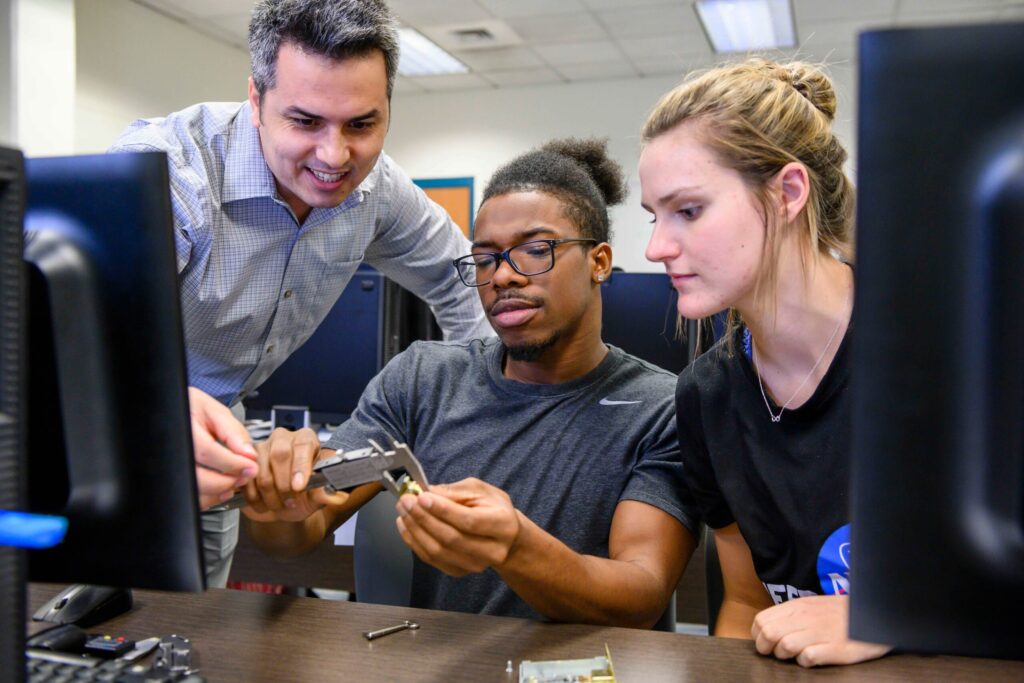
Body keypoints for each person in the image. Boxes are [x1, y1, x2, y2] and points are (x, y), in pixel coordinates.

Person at [242, 138, 699, 625]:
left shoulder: (662, 408)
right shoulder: (421, 381)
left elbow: (641, 593)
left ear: (599, 262)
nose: (503, 276)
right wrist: (278, 505)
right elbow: (304, 526)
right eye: (484, 259)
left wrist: (517, 547)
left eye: (534, 250)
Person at [109, 0, 488, 584]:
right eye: (306, 122)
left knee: (188, 624)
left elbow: (462, 277)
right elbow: (76, 336)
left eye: (362, 124)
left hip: (221, 434)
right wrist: (148, 409)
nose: (335, 157)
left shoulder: (379, 190)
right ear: (256, 101)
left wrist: (498, 403)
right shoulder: (172, 173)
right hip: (109, 417)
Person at [640, 58, 891, 666]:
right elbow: (748, 605)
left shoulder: (938, 351)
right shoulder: (706, 394)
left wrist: (889, 614)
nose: (654, 248)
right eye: (655, 217)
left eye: (689, 211)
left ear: (788, 193)